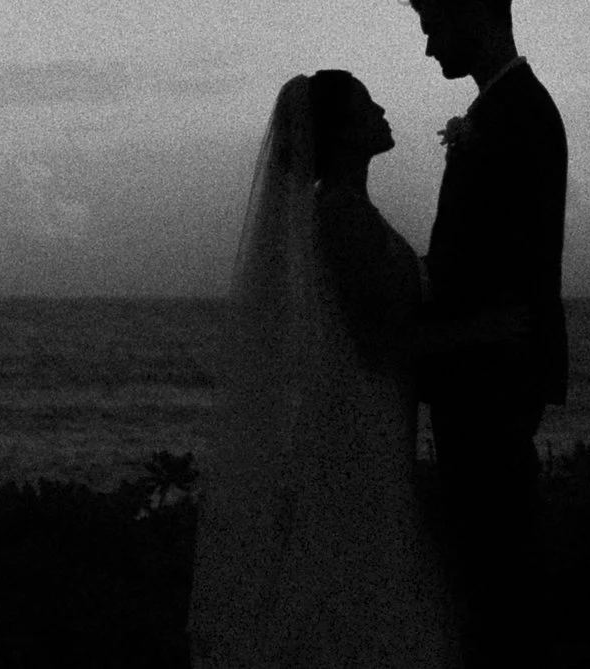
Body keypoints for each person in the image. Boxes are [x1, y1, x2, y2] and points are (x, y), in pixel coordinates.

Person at [189, 70, 454, 669]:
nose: (381, 109)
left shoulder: (349, 210)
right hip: (359, 423)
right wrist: (487, 333)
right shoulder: (338, 214)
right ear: (339, 133)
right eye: (366, 104)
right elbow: (378, 338)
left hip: (369, 414)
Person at [411, 0, 567, 669]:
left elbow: (501, 259)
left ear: (475, 15)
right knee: (490, 569)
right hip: (482, 367)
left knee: (497, 577)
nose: (428, 47)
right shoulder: (500, 110)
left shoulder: (517, 115)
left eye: (433, 26)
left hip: (490, 371)